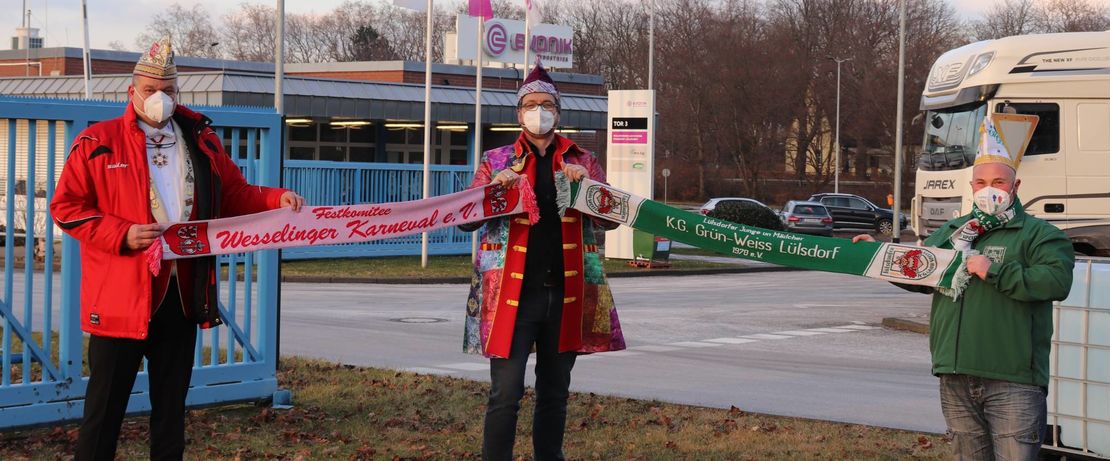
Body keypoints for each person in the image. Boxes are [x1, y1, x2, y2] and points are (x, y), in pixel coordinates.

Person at [50, 37, 304, 461]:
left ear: (178, 92)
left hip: (182, 297)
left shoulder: (202, 142)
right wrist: (121, 234)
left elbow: (234, 194)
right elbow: (66, 207)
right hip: (119, 301)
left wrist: (275, 198)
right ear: (131, 92)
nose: (159, 99)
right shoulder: (98, 143)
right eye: (150, 90)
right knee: (102, 416)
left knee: (171, 415)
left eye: (168, 91)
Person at [854, 114, 1073, 460]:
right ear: (971, 187)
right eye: (981, 181)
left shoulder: (1040, 235)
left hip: (1013, 380)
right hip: (955, 377)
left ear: (1015, 188)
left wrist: (994, 271)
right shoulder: (954, 232)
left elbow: (1056, 282)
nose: (989, 189)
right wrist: (878, 256)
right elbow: (922, 270)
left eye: (999, 182)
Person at [460, 60, 626, 461]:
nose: (539, 112)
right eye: (531, 104)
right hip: (508, 296)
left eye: (546, 104)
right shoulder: (496, 161)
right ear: (519, 113)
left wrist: (586, 188)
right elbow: (466, 222)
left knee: (554, 393)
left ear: (558, 111)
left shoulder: (582, 159)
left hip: (566, 294)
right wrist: (494, 193)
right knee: (506, 393)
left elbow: (610, 220)